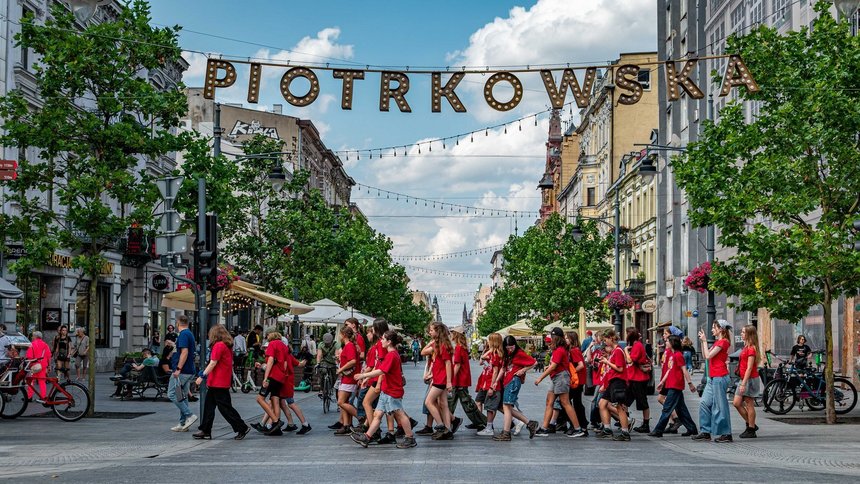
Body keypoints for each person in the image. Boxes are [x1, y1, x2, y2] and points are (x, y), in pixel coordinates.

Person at [352, 330, 417, 449]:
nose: (381, 341)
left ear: (389, 342)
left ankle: (410, 437)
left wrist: (363, 376)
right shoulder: (390, 354)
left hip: (392, 391)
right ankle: (367, 437)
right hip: (386, 390)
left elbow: (381, 371)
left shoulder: (392, 355)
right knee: (377, 414)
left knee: (400, 414)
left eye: (383, 339)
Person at [193, 325, 250, 440]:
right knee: (210, 407)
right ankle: (205, 430)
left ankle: (241, 427)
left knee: (225, 408)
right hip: (219, 381)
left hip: (218, 381)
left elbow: (213, 363)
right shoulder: (226, 345)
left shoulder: (218, 346)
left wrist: (202, 376)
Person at [534, 327, 585, 437]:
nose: (551, 339)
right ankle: (544, 428)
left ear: (556, 338)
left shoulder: (560, 350)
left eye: (552, 337)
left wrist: (540, 378)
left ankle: (578, 428)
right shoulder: (559, 349)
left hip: (561, 377)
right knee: (549, 402)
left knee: (565, 402)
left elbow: (553, 366)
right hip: (556, 377)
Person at [648, 336, 698, 437]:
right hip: (672, 384)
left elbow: (684, 370)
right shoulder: (673, 355)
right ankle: (692, 429)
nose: (666, 342)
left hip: (675, 385)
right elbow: (669, 370)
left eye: (667, 341)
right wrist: (662, 382)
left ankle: (658, 430)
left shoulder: (678, 355)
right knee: (681, 409)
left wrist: (690, 383)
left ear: (672, 343)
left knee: (667, 408)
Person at [694, 319, 733, 443]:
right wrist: (702, 342)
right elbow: (706, 355)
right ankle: (705, 431)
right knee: (704, 403)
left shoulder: (724, 342)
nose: (711, 330)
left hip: (720, 377)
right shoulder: (717, 342)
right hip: (712, 378)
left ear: (720, 329)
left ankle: (726, 433)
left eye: (713, 327)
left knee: (720, 406)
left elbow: (708, 356)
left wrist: (705, 341)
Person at [493, 335, 539, 441]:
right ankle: (530, 423)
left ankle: (506, 433)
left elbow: (534, 362)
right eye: (508, 347)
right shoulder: (507, 354)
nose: (510, 349)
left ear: (515, 345)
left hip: (513, 381)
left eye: (512, 347)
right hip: (507, 381)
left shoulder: (519, 353)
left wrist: (523, 370)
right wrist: (496, 381)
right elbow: (503, 368)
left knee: (506, 407)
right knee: (506, 407)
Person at [421, 322, 456, 440]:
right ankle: (448, 430)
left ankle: (440, 425)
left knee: (428, 402)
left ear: (438, 331)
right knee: (443, 404)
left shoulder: (442, 345)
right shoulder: (438, 344)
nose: (429, 332)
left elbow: (447, 363)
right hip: (438, 377)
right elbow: (423, 352)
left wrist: (449, 381)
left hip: (441, 379)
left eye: (431, 330)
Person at [597, 328, 632, 441]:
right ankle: (607, 429)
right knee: (602, 403)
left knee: (619, 406)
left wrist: (607, 362)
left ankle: (625, 432)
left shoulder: (618, 351)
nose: (605, 342)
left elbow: (620, 368)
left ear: (611, 338)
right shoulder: (614, 351)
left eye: (606, 339)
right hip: (612, 381)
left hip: (618, 381)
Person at [448, 330, 487, 432]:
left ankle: (481, 422)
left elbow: (457, 365)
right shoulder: (462, 348)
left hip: (458, 380)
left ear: (455, 335)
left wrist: (450, 379)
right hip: (461, 380)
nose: (450, 335)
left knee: (457, 402)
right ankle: (480, 422)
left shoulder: (458, 348)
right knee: (459, 402)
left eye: (452, 333)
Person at [253, 329, 289, 436]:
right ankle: (276, 428)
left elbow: (271, 360)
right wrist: (282, 373)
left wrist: (266, 377)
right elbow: (285, 363)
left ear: (270, 335)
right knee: (275, 400)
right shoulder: (284, 346)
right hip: (280, 377)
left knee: (260, 399)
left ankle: (275, 421)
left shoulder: (272, 344)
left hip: (272, 376)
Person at [167, 315, 197, 432]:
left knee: (172, 394)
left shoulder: (183, 334)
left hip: (182, 371)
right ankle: (183, 423)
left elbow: (184, 352)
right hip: (189, 370)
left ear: (177, 323)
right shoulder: (189, 333)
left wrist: (178, 368)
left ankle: (189, 415)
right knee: (182, 397)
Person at [733, 324, 762, 439]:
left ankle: (751, 429)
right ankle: (752, 425)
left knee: (749, 403)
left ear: (749, 334)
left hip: (749, 379)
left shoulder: (751, 348)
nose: (741, 334)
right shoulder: (746, 347)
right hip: (744, 378)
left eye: (743, 332)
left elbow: (750, 368)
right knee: (736, 403)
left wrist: (744, 383)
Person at [624, 328, 651, 433]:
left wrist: (626, 350)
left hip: (638, 378)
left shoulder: (637, 346)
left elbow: (630, 360)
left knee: (643, 402)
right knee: (625, 401)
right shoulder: (637, 345)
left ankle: (645, 424)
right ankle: (626, 421)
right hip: (634, 378)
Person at [334, 326, 360, 435]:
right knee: (345, 402)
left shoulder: (349, 346)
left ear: (344, 335)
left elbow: (353, 361)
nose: (339, 336)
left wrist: (341, 368)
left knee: (341, 402)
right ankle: (346, 425)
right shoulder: (349, 346)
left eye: (340, 334)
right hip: (346, 377)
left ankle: (361, 417)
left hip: (349, 378)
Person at [25, 331, 52, 400]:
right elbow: (49, 356)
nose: (32, 337)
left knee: (31, 381)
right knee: (42, 382)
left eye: (33, 336)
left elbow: (29, 356)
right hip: (42, 366)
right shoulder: (45, 345)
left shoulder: (32, 344)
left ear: (35, 337)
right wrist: (49, 366)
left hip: (34, 366)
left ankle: (29, 396)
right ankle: (43, 397)